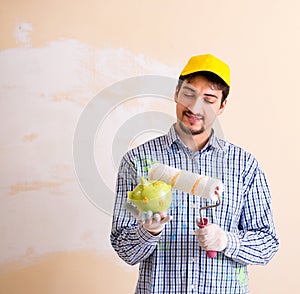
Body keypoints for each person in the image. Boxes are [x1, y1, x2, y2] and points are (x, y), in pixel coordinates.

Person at [110, 54, 279, 293]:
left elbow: (267, 244)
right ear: (176, 93)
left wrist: (226, 241)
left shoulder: (244, 165)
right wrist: (149, 231)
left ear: (222, 106)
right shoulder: (137, 163)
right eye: (189, 94)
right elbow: (125, 249)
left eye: (209, 99)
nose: (195, 107)